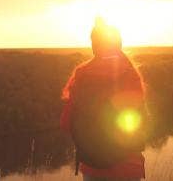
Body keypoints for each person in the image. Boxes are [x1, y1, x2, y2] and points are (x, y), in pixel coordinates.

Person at [60, 18, 147, 181]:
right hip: (128, 169)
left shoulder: (81, 75)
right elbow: (142, 122)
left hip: (93, 170)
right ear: (118, 44)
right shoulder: (130, 74)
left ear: (94, 46)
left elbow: (65, 123)